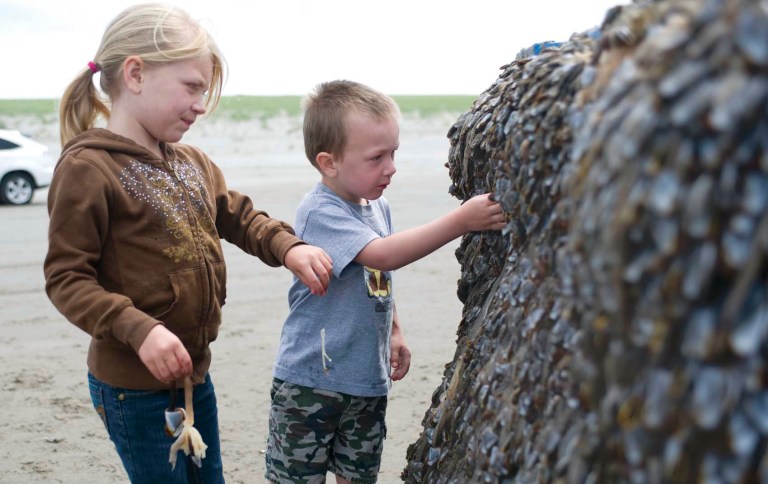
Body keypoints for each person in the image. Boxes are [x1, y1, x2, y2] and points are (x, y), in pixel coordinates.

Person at [43, 4, 332, 483]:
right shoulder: (88, 170)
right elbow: (66, 278)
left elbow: (237, 215)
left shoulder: (192, 162)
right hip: (132, 389)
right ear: (135, 74)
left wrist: (287, 246)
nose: (201, 104)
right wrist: (141, 330)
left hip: (193, 378)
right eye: (192, 87)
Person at [264, 80, 506, 483]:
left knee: (358, 476)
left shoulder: (378, 206)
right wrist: (462, 220)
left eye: (393, 153)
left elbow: (378, 277)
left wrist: (395, 330)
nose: (391, 167)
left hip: (366, 380)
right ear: (329, 163)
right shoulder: (320, 211)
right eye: (377, 157)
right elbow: (383, 254)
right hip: (311, 382)